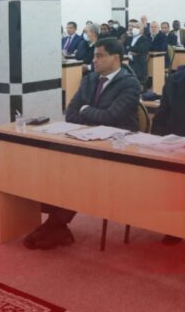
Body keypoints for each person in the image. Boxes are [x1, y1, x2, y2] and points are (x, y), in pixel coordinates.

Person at [24, 38, 141, 250]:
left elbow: (112, 117)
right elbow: (70, 113)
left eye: (99, 56)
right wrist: (91, 117)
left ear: (115, 58)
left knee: (76, 173)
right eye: (94, 55)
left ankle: (55, 225)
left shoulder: (130, 83)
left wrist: (86, 111)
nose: (93, 60)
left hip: (115, 147)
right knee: (53, 166)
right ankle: (57, 226)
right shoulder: (89, 79)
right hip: (86, 141)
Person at [124, 18, 151, 88]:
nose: (135, 29)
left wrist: (129, 49)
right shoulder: (129, 38)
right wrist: (131, 50)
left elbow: (141, 49)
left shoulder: (145, 39)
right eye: (134, 27)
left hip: (138, 64)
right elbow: (123, 48)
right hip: (128, 62)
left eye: (138, 27)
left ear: (142, 30)